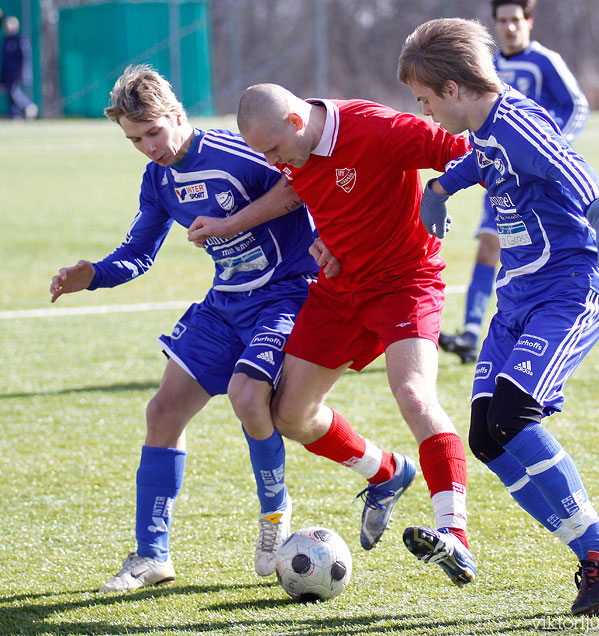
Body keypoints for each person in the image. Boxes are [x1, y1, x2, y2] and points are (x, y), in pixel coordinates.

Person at [398, 17, 599, 614]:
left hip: (566, 292)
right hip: (517, 298)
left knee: (514, 414)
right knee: (487, 435)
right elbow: (480, 161)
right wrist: (440, 189)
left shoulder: (516, 119)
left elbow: (566, 164)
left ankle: (597, 554)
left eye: (425, 101)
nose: (426, 112)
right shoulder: (485, 129)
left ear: (453, 89)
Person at [49, 65, 332, 591]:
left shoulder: (237, 152)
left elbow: (303, 187)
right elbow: (138, 254)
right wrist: (92, 275)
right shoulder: (158, 180)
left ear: (178, 115)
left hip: (286, 292)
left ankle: (274, 514)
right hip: (226, 301)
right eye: (134, 139)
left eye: (154, 132)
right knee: (162, 411)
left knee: (249, 400)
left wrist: (323, 245)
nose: (148, 146)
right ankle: (151, 555)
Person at [188, 83, 479, 586]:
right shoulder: (290, 152)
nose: (274, 161)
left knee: (413, 393)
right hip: (339, 287)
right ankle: (385, 472)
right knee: (290, 415)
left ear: (297, 123)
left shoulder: (377, 128)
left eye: (275, 151)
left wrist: (439, 192)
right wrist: (234, 225)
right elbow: (295, 191)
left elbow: (471, 148)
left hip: (404, 282)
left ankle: (454, 535)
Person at [439, 0, 599, 365]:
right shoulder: (489, 66)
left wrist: (548, 145)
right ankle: (471, 334)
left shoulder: (544, 61)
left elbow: (577, 105)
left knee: (548, 240)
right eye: (501, 21)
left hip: (539, 175)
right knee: (491, 246)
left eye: (515, 20)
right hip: (498, 174)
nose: (509, 28)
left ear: (529, 22)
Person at [1, 15, 38, 119]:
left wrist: (23, 73)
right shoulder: (5, 41)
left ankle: (28, 106)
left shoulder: (20, 40)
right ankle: (15, 115)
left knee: (14, 92)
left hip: (16, 73)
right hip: (7, 74)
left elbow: (25, 58)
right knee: (10, 94)